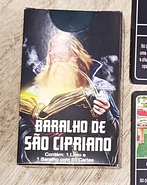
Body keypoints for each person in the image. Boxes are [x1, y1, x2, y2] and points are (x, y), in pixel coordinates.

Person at [18, 31, 120, 164]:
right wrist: (37, 131)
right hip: (48, 161)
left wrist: (106, 116)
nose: (57, 60)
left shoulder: (100, 88)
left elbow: (118, 134)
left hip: (92, 161)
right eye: (53, 56)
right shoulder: (34, 93)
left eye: (62, 55)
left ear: (77, 57)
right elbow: (20, 135)